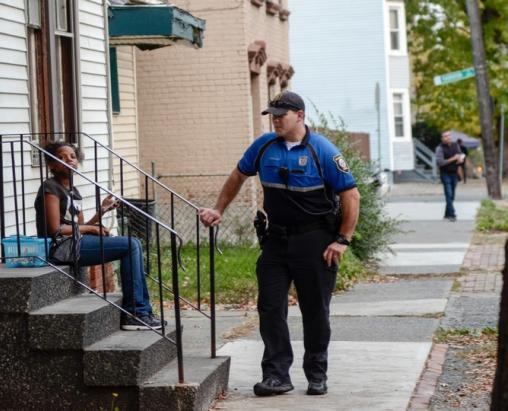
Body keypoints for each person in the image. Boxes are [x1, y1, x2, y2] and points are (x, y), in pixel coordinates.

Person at [199, 91, 360, 397]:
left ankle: (316, 374)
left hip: (315, 241)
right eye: (272, 114)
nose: (275, 120)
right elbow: (237, 176)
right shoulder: (264, 147)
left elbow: (351, 196)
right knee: (270, 307)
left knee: (315, 311)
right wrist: (218, 209)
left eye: (281, 115)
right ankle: (276, 376)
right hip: (276, 240)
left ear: (299, 115)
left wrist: (342, 240)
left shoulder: (322, 150)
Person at [34, 141, 163, 331]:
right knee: (130, 245)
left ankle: (142, 311)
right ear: (51, 164)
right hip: (60, 248)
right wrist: (91, 230)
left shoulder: (72, 191)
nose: (69, 160)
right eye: (61, 158)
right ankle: (136, 313)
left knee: (132, 243)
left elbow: (80, 226)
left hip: (75, 243)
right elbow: (56, 230)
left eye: (72, 156)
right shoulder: (50, 188)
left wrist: (101, 212)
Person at [435, 131, 463, 222]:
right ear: (442, 138)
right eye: (445, 136)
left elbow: (460, 155)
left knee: (452, 196)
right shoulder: (439, 148)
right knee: (449, 194)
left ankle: (447, 214)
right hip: (445, 174)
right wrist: (453, 159)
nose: (447, 137)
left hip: (454, 173)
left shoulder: (455, 145)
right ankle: (452, 214)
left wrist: (460, 159)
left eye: (449, 136)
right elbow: (440, 162)